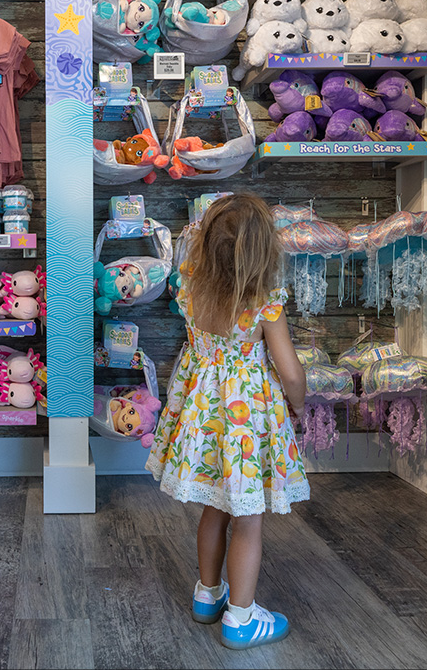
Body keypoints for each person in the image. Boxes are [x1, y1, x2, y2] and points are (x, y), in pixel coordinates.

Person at [145, 192, 308, 650]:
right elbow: (291, 372)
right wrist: (298, 403)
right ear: (262, 251)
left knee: (215, 506)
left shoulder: (190, 288)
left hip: (203, 416)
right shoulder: (264, 303)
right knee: (249, 518)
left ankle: (208, 595)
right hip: (245, 423)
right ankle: (241, 619)